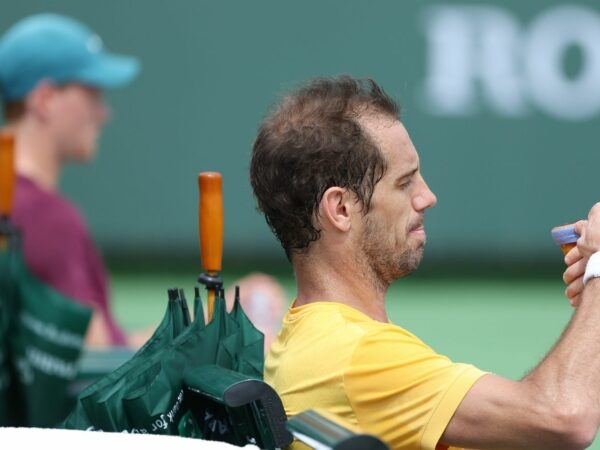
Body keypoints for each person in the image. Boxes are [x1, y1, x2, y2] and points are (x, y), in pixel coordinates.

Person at [250, 75, 599, 450]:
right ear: (340, 209)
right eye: (405, 183)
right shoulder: (361, 358)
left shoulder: (312, 339)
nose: (427, 197)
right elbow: (564, 416)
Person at [0, 13, 286, 351]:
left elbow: (106, 346)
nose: (103, 112)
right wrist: (221, 330)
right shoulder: (47, 218)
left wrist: (215, 318)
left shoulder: (25, 207)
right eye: (91, 93)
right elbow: (100, 361)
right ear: (45, 98)